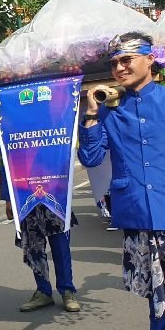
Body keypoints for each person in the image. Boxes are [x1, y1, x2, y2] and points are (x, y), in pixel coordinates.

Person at [78, 31, 165, 329]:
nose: (119, 68)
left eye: (127, 60)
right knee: (157, 301)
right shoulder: (108, 110)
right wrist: (91, 114)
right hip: (137, 216)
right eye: (114, 63)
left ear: (150, 60)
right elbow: (90, 158)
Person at [0, 162, 80, 313]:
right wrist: (8, 197)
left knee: (61, 247)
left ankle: (67, 291)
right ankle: (43, 291)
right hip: (25, 195)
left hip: (54, 193)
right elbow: (6, 157)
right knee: (34, 248)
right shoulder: (10, 136)